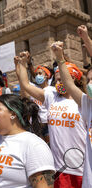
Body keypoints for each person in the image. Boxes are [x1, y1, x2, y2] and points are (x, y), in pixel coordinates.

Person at [17, 51, 87, 188]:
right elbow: (25, 85)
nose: (59, 83)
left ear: (74, 80)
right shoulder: (51, 95)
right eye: (57, 80)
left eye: (63, 79)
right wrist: (22, 63)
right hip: (60, 167)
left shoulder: (83, 101)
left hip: (82, 167)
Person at [50, 39, 92, 188]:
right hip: (77, 172)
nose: (90, 84)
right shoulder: (87, 104)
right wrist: (60, 57)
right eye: (89, 80)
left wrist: (87, 40)